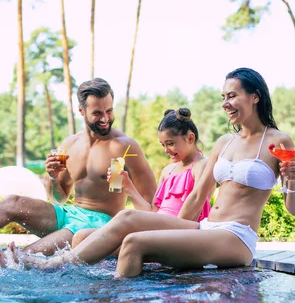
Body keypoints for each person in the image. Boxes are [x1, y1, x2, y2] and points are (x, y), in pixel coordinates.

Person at [0, 67, 295, 277]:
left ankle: (99, 297)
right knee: (126, 219)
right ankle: (52, 265)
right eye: (223, 97)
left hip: (237, 237)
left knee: (135, 243)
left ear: (255, 96)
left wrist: (292, 180)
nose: (226, 103)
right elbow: (198, 195)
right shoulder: (226, 141)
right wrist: (173, 228)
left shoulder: (278, 142)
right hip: (207, 228)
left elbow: (293, 209)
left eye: (232, 96)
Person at [0, 78, 157, 255]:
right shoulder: (68, 144)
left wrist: (126, 192)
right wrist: (53, 177)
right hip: (70, 214)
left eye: (109, 111)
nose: (105, 119)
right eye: (97, 113)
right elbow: (59, 198)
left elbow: (152, 203)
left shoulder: (125, 146)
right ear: (81, 110)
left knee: (25, 255)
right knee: (14, 202)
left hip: (102, 224)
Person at [63, 107, 212, 253]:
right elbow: (152, 212)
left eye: (170, 143)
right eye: (163, 145)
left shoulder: (202, 165)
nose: (166, 150)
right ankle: (76, 273)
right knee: (81, 236)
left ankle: (59, 262)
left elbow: (193, 211)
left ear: (190, 138)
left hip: (178, 234)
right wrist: (128, 187)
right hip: (156, 229)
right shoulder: (168, 171)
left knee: (126, 216)